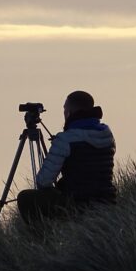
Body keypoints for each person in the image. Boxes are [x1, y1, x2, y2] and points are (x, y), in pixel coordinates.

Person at [17, 90, 116, 226]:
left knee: (25, 198)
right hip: (107, 202)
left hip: (77, 205)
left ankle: (44, 240)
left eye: (65, 109)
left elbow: (43, 181)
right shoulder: (107, 134)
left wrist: (58, 149)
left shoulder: (65, 140)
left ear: (69, 112)